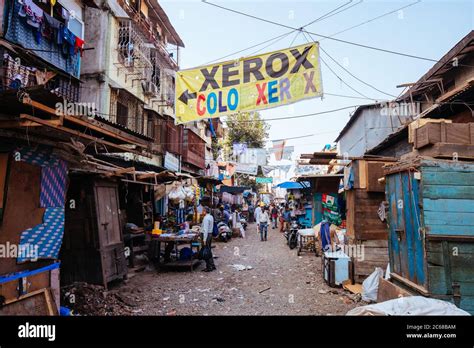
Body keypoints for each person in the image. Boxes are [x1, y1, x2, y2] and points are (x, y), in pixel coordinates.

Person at [201, 207, 216, 272]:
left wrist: (204, 239)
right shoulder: (211, 217)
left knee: (206, 251)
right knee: (208, 250)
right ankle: (212, 265)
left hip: (207, 235)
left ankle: (209, 266)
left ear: (205, 211)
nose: (202, 212)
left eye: (202, 210)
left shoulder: (206, 218)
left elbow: (205, 230)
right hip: (210, 234)